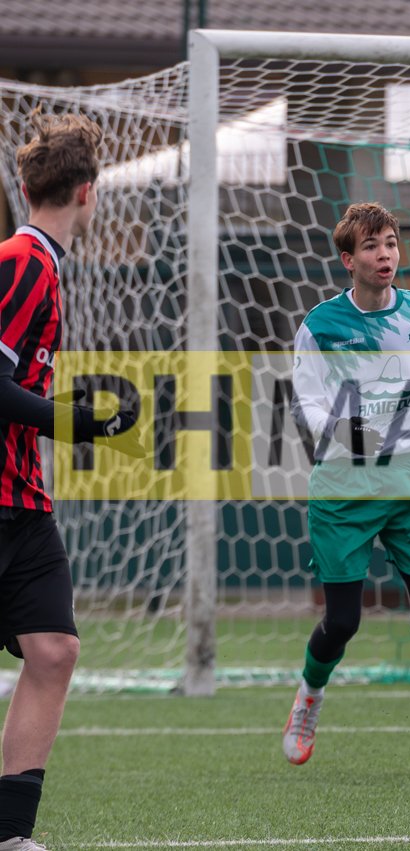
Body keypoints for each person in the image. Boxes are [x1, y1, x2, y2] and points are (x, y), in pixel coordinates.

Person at [282, 202, 410, 776]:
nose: (384, 254)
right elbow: (307, 403)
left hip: (407, 475)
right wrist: (347, 433)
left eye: (390, 242)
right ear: (348, 259)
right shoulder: (320, 326)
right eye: (370, 246)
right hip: (343, 481)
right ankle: (308, 698)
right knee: (343, 621)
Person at [0, 112, 144, 851]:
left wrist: (73, 411)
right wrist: (76, 422)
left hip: (22, 501)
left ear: (28, 187)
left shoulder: (43, 263)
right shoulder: (24, 261)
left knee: (54, 648)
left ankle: (9, 834)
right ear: (88, 193)